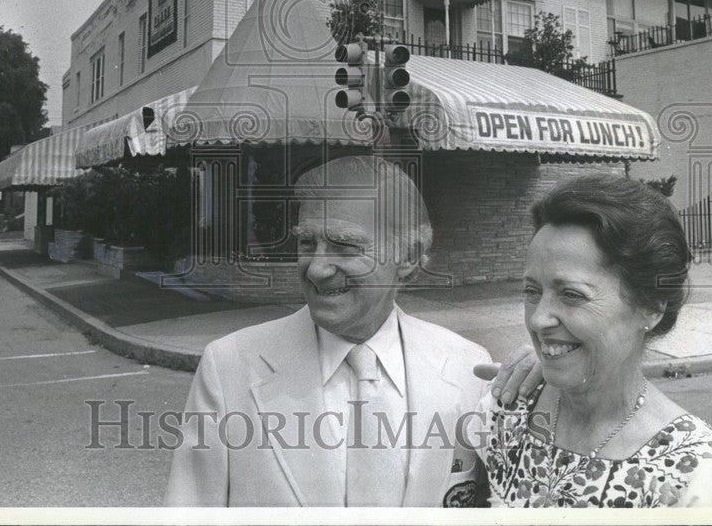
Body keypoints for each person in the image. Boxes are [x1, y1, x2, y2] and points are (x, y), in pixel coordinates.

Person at [164, 154, 537, 507]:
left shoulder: (467, 366)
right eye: (307, 243)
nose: (316, 269)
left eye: (344, 246)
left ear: (407, 258)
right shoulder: (229, 367)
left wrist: (554, 391)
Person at [475, 174, 712, 508]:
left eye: (571, 295)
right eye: (532, 291)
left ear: (651, 306)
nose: (538, 319)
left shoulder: (699, 481)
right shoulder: (505, 413)